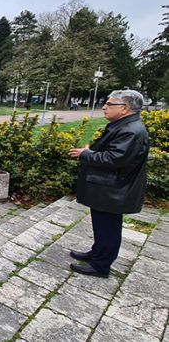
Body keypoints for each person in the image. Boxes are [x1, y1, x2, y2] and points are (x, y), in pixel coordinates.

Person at [68, 89, 150, 278]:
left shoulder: (131, 131)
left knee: (108, 227)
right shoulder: (123, 125)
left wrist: (86, 154)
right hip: (109, 187)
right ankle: (97, 253)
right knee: (102, 225)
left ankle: (101, 265)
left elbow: (114, 159)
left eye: (110, 104)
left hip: (115, 189)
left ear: (125, 108)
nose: (104, 107)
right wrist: (91, 150)